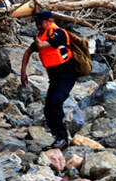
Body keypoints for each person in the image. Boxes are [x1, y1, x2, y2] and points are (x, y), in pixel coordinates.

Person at [20, 10, 78, 149]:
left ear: (48, 21)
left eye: (40, 23)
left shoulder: (58, 33)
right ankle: (58, 137)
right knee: (48, 110)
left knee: (55, 103)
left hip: (67, 75)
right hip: (54, 77)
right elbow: (28, 52)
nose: (38, 26)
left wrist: (37, 39)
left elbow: (41, 46)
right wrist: (23, 72)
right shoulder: (42, 35)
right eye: (37, 23)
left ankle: (63, 139)